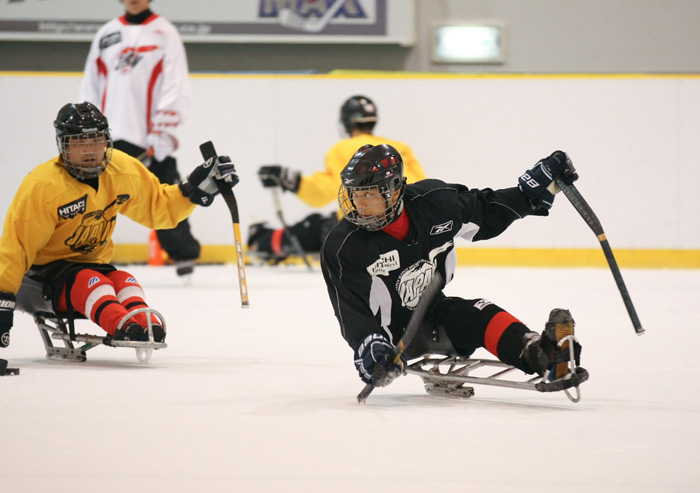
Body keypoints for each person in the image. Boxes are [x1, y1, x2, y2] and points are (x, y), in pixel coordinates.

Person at [320, 143, 583, 390]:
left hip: (436, 312)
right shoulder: (343, 247)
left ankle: (542, 353)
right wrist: (371, 350)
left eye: (369, 195)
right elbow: (351, 313)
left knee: (478, 312)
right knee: (465, 315)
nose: (359, 205)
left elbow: (486, 211)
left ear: (395, 188)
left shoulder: (435, 204)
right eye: (355, 195)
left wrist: (531, 194)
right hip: (393, 340)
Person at [0, 102, 237, 349]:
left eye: (96, 141)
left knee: (125, 280)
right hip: (37, 280)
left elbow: (160, 207)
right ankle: (122, 326)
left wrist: (193, 190)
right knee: (91, 281)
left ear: (107, 142)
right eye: (79, 143)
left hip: (90, 268)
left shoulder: (121, 169)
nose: (90, 150)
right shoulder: (44, 186)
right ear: (63, 146)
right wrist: (2, 299)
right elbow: (15, 249)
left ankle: (143, 325)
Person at [80, 0, 199, 278]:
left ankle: (184, 256)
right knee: (91, 199)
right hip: (107, 136)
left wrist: (163, 128)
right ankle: (79, 256)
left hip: (149, 136)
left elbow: (176, 82)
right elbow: (91, 83)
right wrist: (87, 128)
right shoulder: (106, 34)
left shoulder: (164, 33)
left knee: (165, 192)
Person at [250, 95, 427, 261]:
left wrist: (292, 182)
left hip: (364, 228)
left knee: (314, 226)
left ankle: (262, 240)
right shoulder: (400, 148)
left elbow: (326, 190)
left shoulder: (344, 148)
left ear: (347, 122)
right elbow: (420, 185)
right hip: (407, 229)